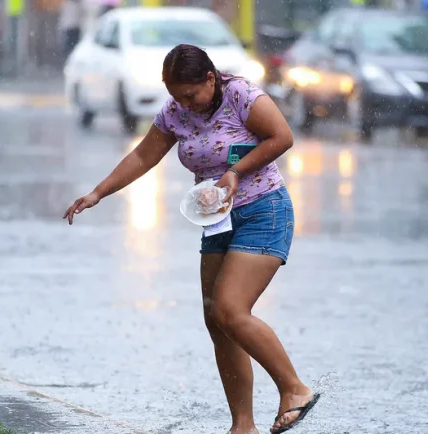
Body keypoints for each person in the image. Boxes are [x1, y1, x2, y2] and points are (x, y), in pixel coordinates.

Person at [62, 43, 320, 434]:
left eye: (190, 94)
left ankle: (294, 388)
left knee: (230, 309)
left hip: (262, 211)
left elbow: (281, 137)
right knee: (216, 321)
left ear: (210, 79)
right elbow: (143, 156)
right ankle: (243, 426)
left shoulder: (241, 95)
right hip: (217, 220)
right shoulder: (176, 111)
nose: (185, 104)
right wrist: (98, 192)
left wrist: (236, 172)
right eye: (176, 96)